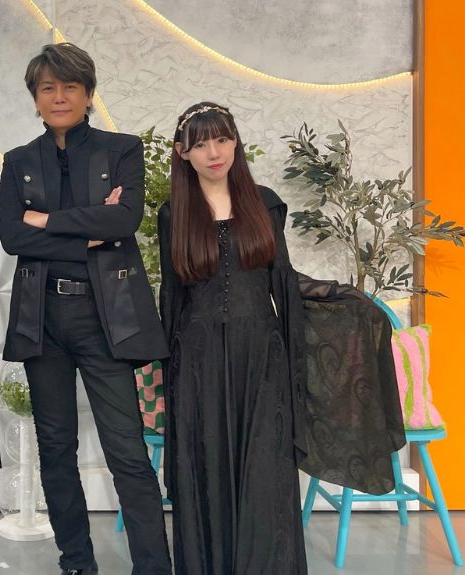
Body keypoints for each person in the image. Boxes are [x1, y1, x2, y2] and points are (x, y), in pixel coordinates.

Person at [0, 43, 172, 575]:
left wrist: (45, 223)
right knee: (55, 447)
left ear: (89, 93)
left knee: (126, 449)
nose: (59, 96)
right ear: (35, 98)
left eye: (70, 86)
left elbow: (123, 222)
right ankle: (76, 562)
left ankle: (153, 567)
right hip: (42, 318)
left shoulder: (122, 149)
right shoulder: (19, 161)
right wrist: (87, 232)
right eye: (48, 87)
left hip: (105, 316)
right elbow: (11, 237)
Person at [157, 102, 308, 574]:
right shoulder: (173, 214)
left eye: (222, 139)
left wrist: (297, 363)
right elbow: (171, 298)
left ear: (236, 142)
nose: (214, 152)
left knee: (266, 473)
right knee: (206, 470)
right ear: (182, 152)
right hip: (197, 364)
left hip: (261, 359)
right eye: (200, 144)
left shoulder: (264, 203)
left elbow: (283, 281)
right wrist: (166, 376)